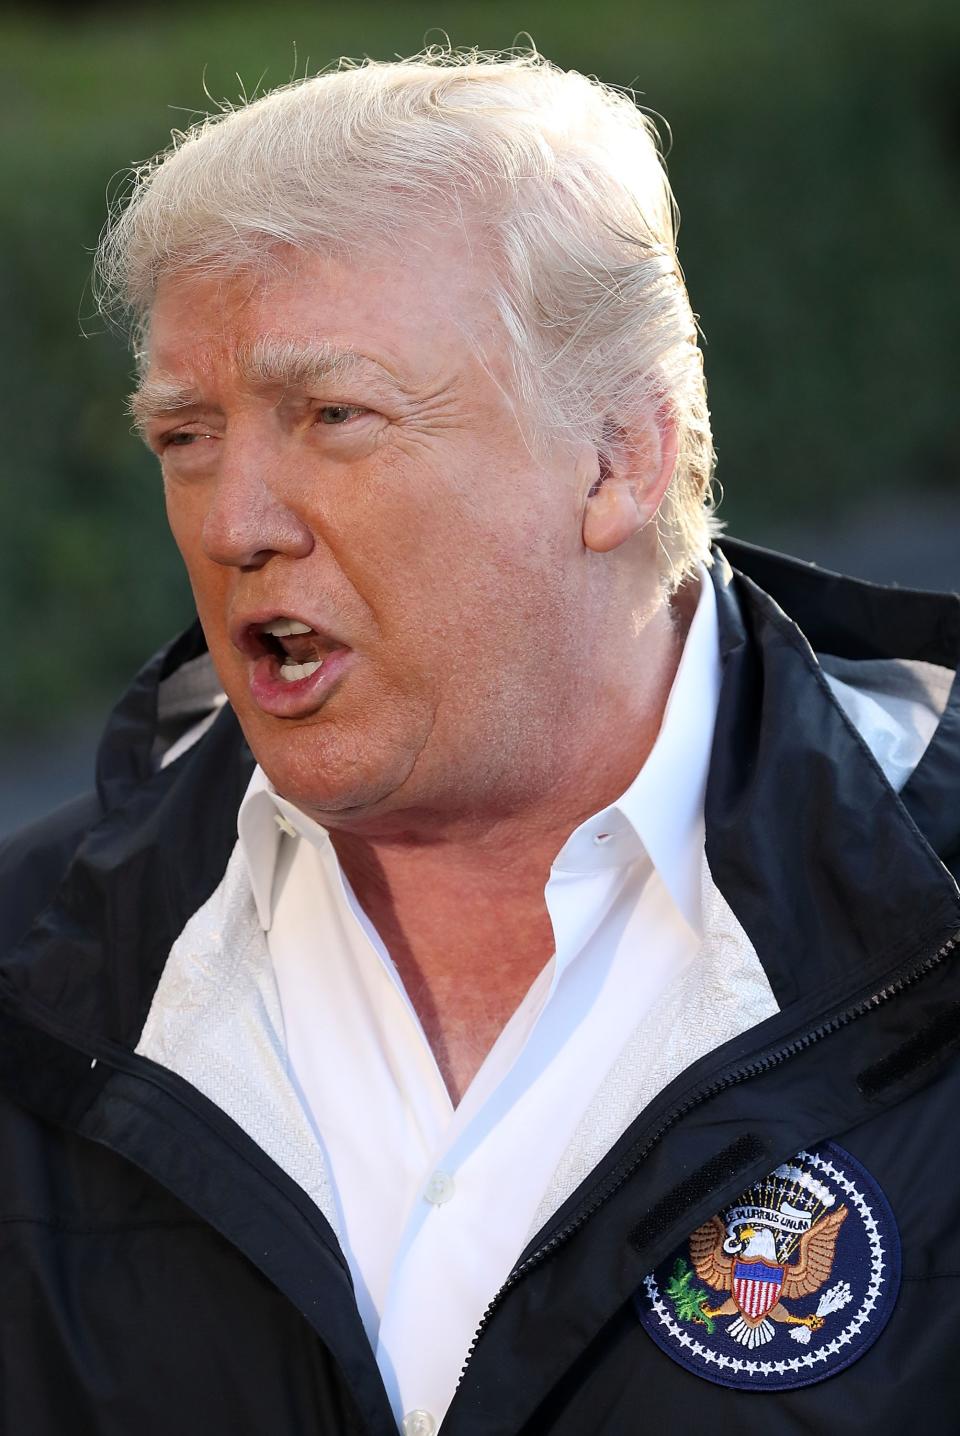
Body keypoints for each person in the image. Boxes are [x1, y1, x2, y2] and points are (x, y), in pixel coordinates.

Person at [1, 48, 958, 1436]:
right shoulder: (37, 974)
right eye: (186, 436)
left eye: (333, 416)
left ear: (621, 454)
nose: (230, 522)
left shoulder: (927, 924)